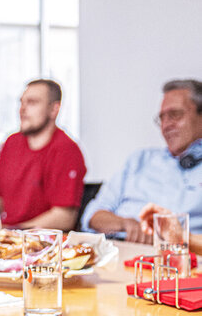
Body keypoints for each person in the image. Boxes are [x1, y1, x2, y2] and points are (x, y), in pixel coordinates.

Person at [82, 79, 202, 242]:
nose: (166, 125)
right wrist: (126, 224)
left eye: (175, 115)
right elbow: (92, 216)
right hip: (115, 248)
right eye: (162, 118)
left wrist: (171, 236)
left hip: (175, 256)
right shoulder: (140, 159)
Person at [0, 79, 87, 230]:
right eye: (21, 102)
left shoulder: (67, 150)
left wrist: (14, 232)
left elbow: (64, 218)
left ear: (54, 109)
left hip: (41, 244)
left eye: (32, 102)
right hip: (5, 239)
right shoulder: (11, 143)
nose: (22, 109)